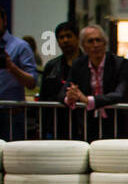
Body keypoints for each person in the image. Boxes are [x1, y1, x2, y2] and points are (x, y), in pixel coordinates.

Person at [64, 25, 128, 141]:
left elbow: (119, 94)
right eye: (90, 41)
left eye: (98, 40)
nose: (95, 45)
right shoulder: (78, 64)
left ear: (105, 43)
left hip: (116, 121)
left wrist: (88, 100)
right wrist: (70, 96)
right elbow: (64, 90)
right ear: (83, 46)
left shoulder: (119, 63)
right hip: (88, 122)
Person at [0, 7, 39, 140]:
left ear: (4, 20)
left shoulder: (20, 46)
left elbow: (32, 82)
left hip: (11, 114)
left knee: (12, 158)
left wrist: (11, 67)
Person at [37, 21, 81, 138]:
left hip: (81, 124)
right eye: (61, 37)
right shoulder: (51, 66)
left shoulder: (88, 64)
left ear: (77, 38)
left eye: (68, 36)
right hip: (56, 124)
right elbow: (43, 98)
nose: (65, 40)